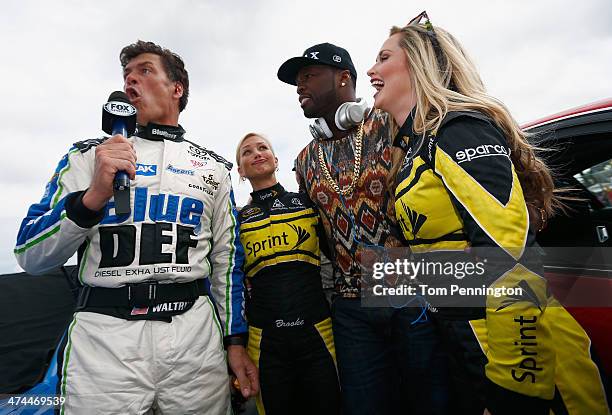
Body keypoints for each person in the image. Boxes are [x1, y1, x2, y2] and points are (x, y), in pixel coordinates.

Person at [367, 12, 610, 414]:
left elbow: (509, 254)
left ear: (421, 61)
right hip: (469, 337)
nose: (372, 70)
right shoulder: (414, 148)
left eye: (383, 57)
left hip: (526, 358)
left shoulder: (459, 129)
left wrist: (519, 379)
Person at [14, 40, 258, 414]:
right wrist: (93, 196)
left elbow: (227, 264)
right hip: (104, 344)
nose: (131, 81)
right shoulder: (85, 157)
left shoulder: (212, 168)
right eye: (126, 76)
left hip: (194, 342)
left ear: (177, 89)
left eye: (144, 71)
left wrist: (235, 341)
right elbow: (30, 254)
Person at [278, 43, 447, 414]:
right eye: (296, 81)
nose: (299, 87)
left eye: (308, 76)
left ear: (343, 78)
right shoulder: (304, 159)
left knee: (432, 401)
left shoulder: (392, 124)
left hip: (412, 295)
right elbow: (321, 234)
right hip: (352, 309)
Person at [235, 132, 340, 414]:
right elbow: (231, 280)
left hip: (318, 329)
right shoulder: (237, 219)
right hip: (265, 339)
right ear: (240, 171)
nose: (256, 153)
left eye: (262, 148)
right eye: (247, 152)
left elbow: (338, 253)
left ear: (276, 159)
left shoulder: (307, 203)